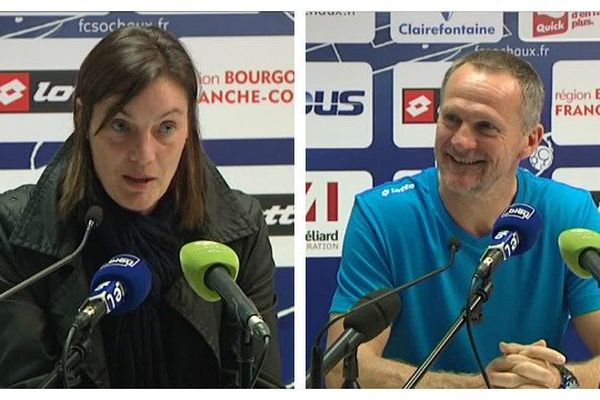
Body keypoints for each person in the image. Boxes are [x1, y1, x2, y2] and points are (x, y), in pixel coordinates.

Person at [0, 26, 281, 388]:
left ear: (188, 127)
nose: (143, 156)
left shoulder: (241, 231)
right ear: (83, 118)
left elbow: (261, 384)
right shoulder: (14, 232)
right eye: (121, 126)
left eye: (165, 128)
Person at [327, 49, 600, 388]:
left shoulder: (570, 213)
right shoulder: (381, 215)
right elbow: (343, 369)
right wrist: (479, 387)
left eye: (485, 127)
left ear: (529, 140)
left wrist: (561, 381)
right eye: (451, 119)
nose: (460, 141)